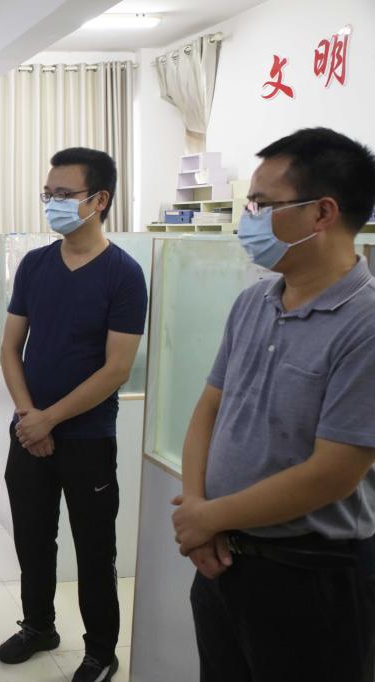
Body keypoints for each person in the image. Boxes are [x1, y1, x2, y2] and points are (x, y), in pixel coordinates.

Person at [172, 127, 375, 682]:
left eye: (262, 205)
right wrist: (199, 510)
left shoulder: (365, 324)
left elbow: (334, 473)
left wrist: (207, 517)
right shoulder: (253, 301)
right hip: (224, 558)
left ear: (322, 213)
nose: (249, 219)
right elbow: (208, 410)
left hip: (310, 575)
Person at [0, 148, 147, 682]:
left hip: (87, 438)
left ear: (99, 200)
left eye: (64, 194)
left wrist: (49, 419)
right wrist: (28, 416)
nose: (52, 203)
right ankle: (39, 626)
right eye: (48, 193)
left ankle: (101, 651)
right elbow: (9, 348)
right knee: (32, 540)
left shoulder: (124, 274)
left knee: (94, 550)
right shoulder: (35, 265)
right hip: (28, 431)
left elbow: (116, 369)